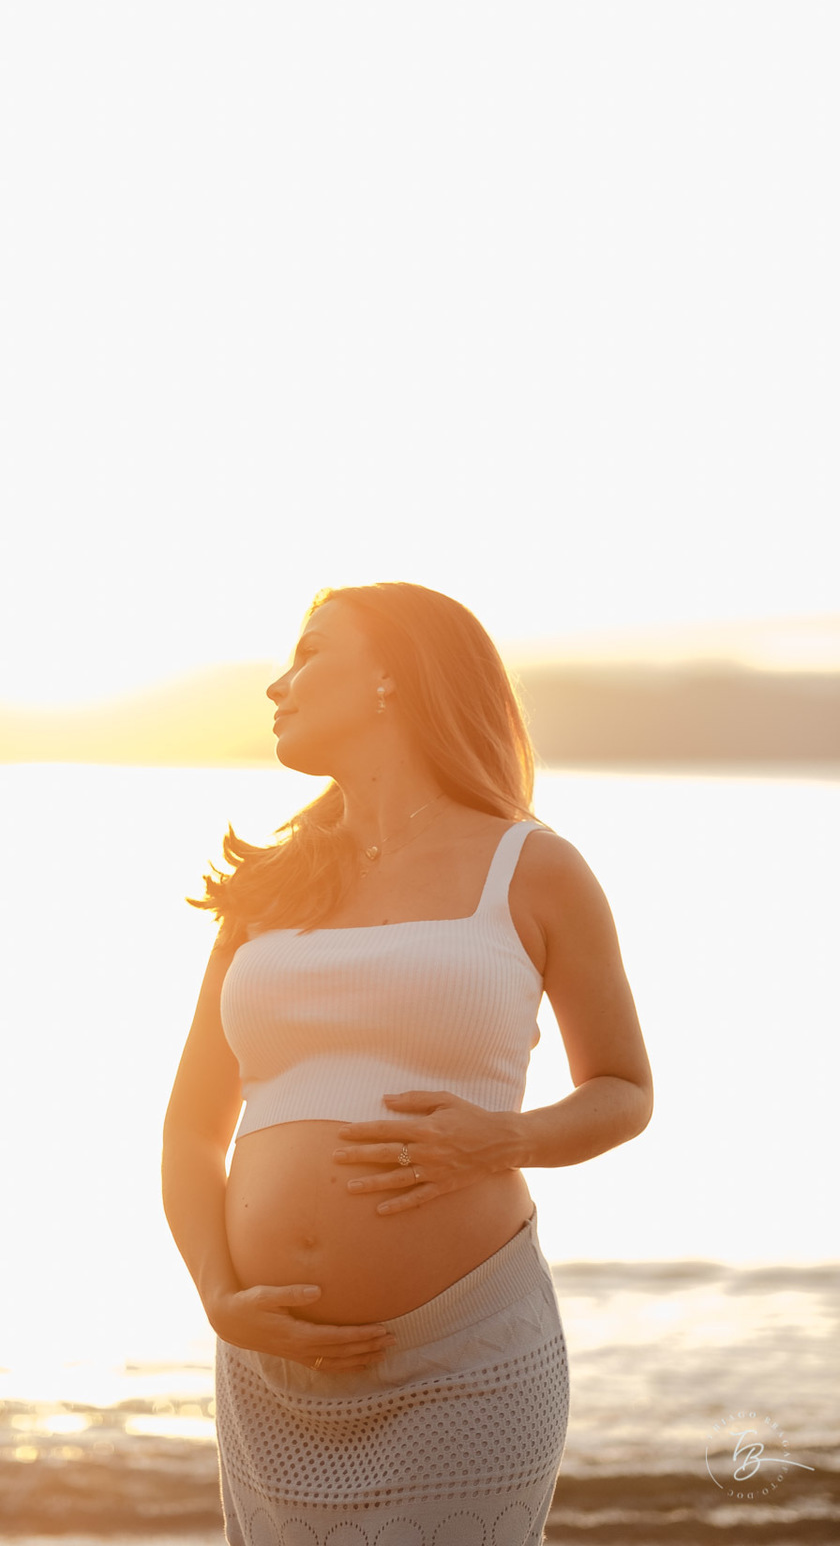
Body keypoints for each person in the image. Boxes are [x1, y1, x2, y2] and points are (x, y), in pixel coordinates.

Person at [162, 581, 653, 1546]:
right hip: (269, 1376)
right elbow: (190, 1128)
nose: (277, 685)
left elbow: (624, 1090)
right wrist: (218, 1296)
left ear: (394, 677)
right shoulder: (267, 884)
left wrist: (506, 1139)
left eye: (310, 654)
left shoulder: (534, 868)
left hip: (465, 1360)